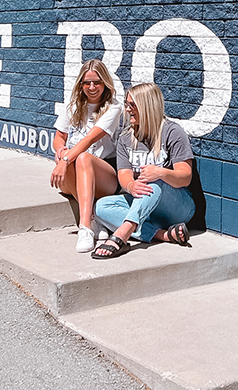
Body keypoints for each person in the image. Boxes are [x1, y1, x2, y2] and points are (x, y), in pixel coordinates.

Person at [92, 83, 200, 259]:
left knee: (152, 179)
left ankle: (122, 234)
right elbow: (124, 174)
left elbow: (185, 177)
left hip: (177, 207)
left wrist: (161, 173)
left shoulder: (172, 132)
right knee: (102, 207)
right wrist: (131, 185)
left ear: (147, 106)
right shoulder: (127, 137)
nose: (127, 110)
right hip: (145, 206)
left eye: (132, 105)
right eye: (127, 105)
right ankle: (163, 235)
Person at [51, 59, 121, 253]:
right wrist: (61, 151)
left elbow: (90, 139)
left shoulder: (113, 107)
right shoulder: (73, 105)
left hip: (103, 175)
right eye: (87, 83)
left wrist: (65, 160)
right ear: (80, 84)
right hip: (72, 172)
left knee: (82, 157)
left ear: (105, 83)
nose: (92, 87)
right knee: (74, 157)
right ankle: (92, 219)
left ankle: (85, 229)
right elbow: (58, 137)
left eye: (97, 82)